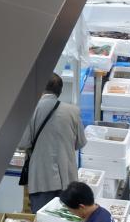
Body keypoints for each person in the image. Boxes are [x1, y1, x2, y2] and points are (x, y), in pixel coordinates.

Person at [19, 74, 86, 214]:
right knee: (66, 221)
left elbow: (24, 143)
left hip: (41, 178)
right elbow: (80, 143)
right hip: (68, 178)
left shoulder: (31, 110)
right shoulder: (73, 111)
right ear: (60, 91)